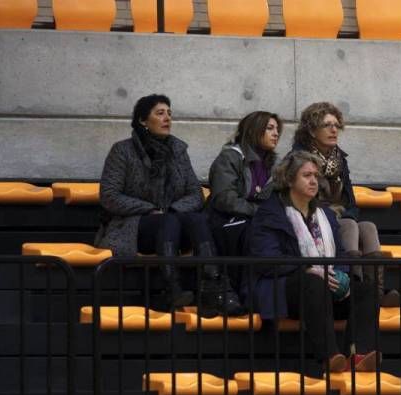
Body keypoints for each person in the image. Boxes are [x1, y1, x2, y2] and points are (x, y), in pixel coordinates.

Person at [95, 94, 243, 315]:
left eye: (170, 113)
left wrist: (171, 210)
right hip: (134, 227)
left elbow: (196, 194)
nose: (167, 118)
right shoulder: (122, 151)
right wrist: (148, 209)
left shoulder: (178, 150)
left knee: (195, 218)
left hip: (173, 222)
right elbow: (109, 195)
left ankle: (212, 286)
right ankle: (171, 286)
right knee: (169, 220)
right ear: (143, 121)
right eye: (160, 113)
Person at [249, 151, 380, 373]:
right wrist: (309, 268)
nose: (313, 181)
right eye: (306, 175)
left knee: (366, 290)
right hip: (286, 289)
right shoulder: (270, 214)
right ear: (289, 180)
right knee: (313, 281)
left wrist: (341, 276)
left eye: (315, 176)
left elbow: (340, 253)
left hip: (324, 291)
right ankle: (330, 356)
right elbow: (267, 260)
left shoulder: (326, 215)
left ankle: (358, 355)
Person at [292, 102, 399, 307]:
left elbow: (350, 200)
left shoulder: (339, 159)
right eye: (327, 125)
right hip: (313, 219)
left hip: (340, 216)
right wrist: (339, 216)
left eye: (336, 125)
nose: (334, 130)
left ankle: (374, 294)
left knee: (367, 227)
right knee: (349, 225)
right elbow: (300, 199)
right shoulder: (299, 159)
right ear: (313, 131)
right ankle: (354, 288)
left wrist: (347, 213)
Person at [207, 111, 282, 289]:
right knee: (253, 230)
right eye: (270, 128)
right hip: (226, 220)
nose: (276, 133)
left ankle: (268, 288)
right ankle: (243, 289)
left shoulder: (274, 164)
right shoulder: (230, 157)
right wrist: (260, 212)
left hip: (256, 219)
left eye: (277, 129)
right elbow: (225, 198)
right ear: (253, 131)